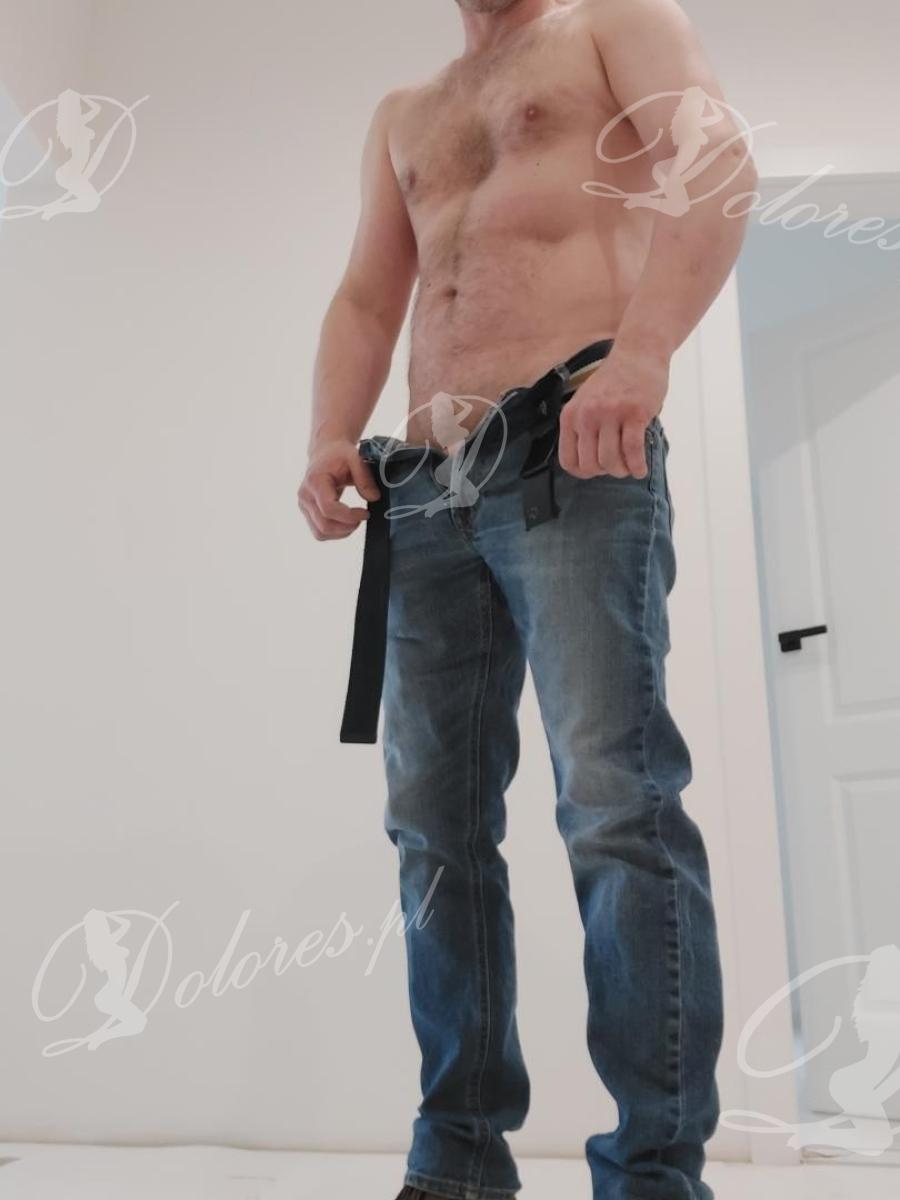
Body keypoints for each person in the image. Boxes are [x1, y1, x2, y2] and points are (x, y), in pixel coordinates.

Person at [299, 2, 757, 1197]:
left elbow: (714, 156)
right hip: (424, 492)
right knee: (432, 832)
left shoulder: (611, 21)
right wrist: (330, 431)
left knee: (615, 806)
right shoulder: (405, 113)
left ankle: (653, 1174)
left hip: (573, 453)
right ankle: (457, 1160)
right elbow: (368, 296)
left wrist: (643, 354)